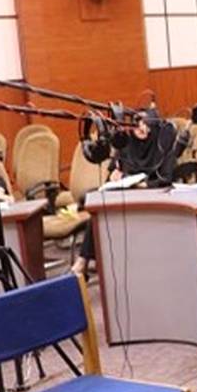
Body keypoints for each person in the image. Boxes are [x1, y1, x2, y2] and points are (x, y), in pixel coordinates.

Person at [72, 109, 180, 275]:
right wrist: (115, 176)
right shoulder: (126, 142)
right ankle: (83, 261)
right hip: (126, 196)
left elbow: (165, 178)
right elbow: (114, 174)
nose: (140, 127)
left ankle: (87, 261)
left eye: (145, 123)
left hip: (153, 199)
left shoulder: (162, 142)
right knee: (100, 211)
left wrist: (142, 184)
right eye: (137, 123)